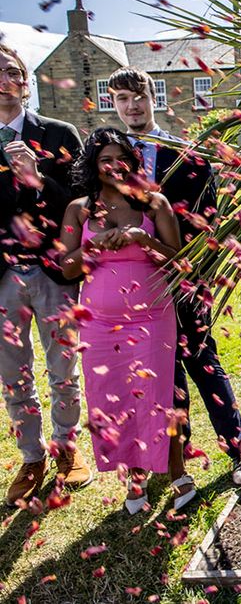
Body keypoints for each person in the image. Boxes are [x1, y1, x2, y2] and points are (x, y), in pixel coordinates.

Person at [107, 67, 241, 487]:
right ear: (113, 103)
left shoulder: (185, 152)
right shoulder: (109, 158)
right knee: (161, 371)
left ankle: (238, 449)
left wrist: (194, 269)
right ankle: (177, 460)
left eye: (137, 96)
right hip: (134, 283)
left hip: (183, 276)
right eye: (121, 98)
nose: (131, 106)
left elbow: (209, 218)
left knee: (202, 360)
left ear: (152, 98)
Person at [60, 127, 197, 514]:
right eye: (105, 159)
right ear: (94, 166)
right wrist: (93, 246)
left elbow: (180, 263)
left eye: (121, 158)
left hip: (152, 318)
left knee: (156, 397)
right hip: (100, 324)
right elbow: (66, 267)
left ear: (134, 161)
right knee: (114, 398)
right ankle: (135, 482)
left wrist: (143, 239)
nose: (114, 165)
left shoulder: (154, 204)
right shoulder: (79, 210)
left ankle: (176, 472)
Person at [0, 42, 92, 505]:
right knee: (12, 374)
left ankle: (68, 449)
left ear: (26, 81)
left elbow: (81, 201)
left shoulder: (59, 132)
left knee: (63, 368)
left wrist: (38, 179)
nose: (3, 79)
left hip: (54, 273)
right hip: (3, 278)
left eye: (11, 71)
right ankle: (31, 456)